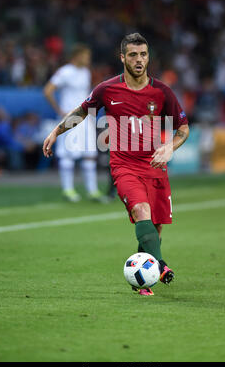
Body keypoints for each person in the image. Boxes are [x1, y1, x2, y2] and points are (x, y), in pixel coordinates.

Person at [43, 33, 189, 296]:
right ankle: (161, 266)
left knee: (155, 227)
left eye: (143, 54)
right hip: (124, 167)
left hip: (155, 167)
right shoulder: (108, 89)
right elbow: (81, 112)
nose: (139, 59)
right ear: (122, 57)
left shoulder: (162, 92)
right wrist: (56, 131)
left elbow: (183, 128)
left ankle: (143, 281)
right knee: (142, 212)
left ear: (148, 57)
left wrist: (170, 147)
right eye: (133, 54)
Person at [43, 43, 104, 202]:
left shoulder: (85, 72)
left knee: (90, 154)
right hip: (69, 118)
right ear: (77, 56)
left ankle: (93, 191)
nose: (88, 59)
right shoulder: (65, 71)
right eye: (86, 56)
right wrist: (59, 110)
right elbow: (48, 90)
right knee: (67, 154)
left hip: (85, 118)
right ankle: (68, 190)